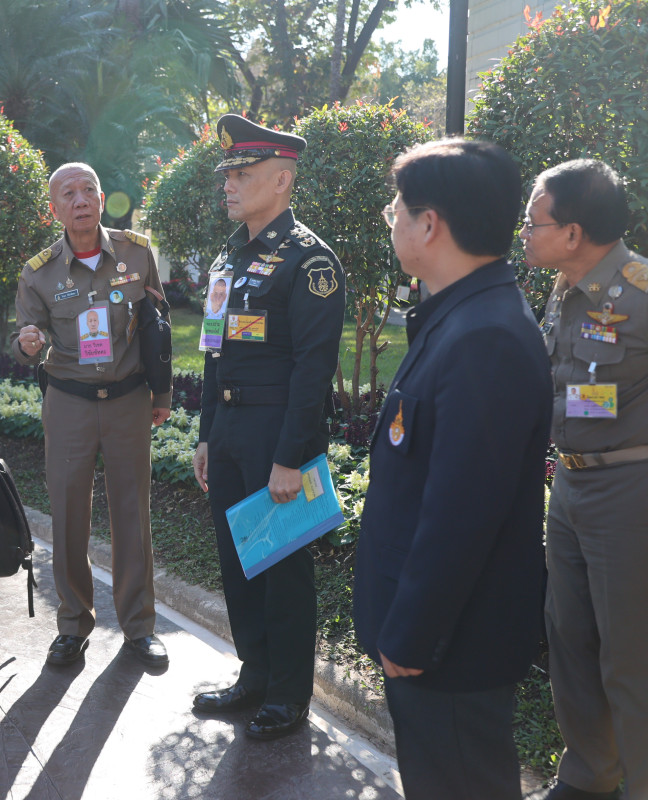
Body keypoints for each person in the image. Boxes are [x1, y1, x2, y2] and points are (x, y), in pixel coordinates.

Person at [352, 139, 552, 799]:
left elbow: (461, 515)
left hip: (451, 645)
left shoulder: (483, 336)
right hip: (443, 638)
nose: (393, 222)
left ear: (430, 224)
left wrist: (411, 636)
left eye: (397, 212)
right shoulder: (461, 316)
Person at [189, 114, 344, 739]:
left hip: (276, 432)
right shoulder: (231, 254)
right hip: (229, 427)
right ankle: (254, 674)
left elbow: (313, 371)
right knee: (239, 560)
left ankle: (287, 694)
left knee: (282, 565)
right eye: (228, 174)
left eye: (242, 174)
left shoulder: (309, 259)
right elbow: (213, 348)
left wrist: (289, 457)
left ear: (281, 180)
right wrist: (206, 433)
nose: (228, 184)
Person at [12, 162, 170, 668]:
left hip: (128, 400)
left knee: (132, 513)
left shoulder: (137, 253)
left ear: (101, 199)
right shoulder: (39, 272)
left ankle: (139, 627)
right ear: (54, 208)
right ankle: (72, 625)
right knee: (67, 514)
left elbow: (158, 327)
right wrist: (27, 343)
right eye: (68, 194)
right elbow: (26, 338)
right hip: (70, 403)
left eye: (88, 191)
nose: (80, 200)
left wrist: (162, 393)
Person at [523, 159, 647, 800]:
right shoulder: (563, 291)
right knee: (569, 637)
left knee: (631, 654)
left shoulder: (641, 293)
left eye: (533, 222)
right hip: (570, 486)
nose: (524, 232)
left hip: (630, 491)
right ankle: (588, 777)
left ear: (573, 233)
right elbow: (570, 390)